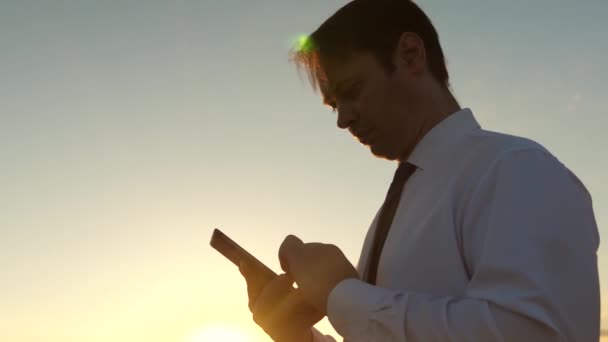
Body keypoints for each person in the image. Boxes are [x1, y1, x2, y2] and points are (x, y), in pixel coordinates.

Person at [239, 0, 601, 341]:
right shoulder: (397, 209)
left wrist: (340, 294)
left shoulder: (514, 168)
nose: (343, 119)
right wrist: (298, 336)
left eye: (352, 90)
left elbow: (535, 334)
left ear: (411, 55)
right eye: (335, 104)